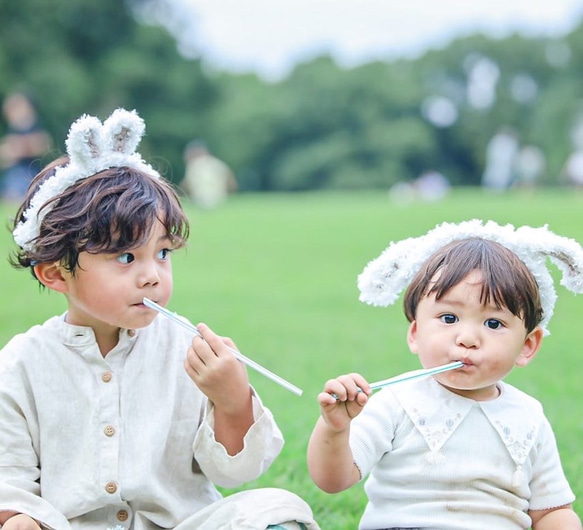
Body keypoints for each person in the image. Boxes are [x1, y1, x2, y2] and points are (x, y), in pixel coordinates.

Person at [0, 109, 318, 530]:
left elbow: (236, 473)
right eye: (126, 256)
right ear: (57, 273)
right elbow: (9, 478)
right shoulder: (22, 362)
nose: (152, 274)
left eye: (163, 253)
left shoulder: (188, 351)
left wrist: (231, 399)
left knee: (278, 509)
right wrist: (21, 518)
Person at [307, 219, 583, 529]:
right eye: (448, 317)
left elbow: (551, 512)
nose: (467, 338)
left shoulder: (529, 417)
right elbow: (332, 480)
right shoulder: (395, 404)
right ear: (415, 333)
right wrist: (335, 428)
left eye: (493, 323)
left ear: (527, 345)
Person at [0, 91, 51, 201]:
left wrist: (16, 148)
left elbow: (41, 144)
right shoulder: (14, 129)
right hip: (15, 172)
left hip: (29, 170)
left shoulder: (32, 127)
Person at [180, 140, 237, 209]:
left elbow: (185, 185)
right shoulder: (217, 163)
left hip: (201, 201)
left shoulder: (194, 166)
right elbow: (231, 181)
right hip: (220, 200)